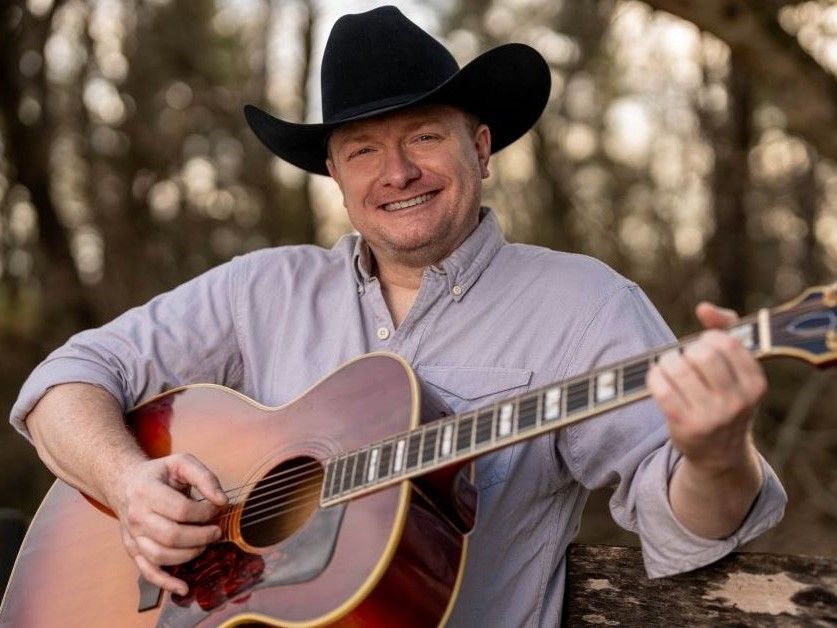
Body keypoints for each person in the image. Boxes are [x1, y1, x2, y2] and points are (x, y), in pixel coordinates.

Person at [10, 6, 785, 626]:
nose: (398, 172)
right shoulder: (259, 291)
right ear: (336, 180)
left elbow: (689, 529)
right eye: (362, 151)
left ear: (480, 149)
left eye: (423, 136)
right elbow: (63, 384)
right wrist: (131, 484)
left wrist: (717, 454)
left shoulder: (585, 307)